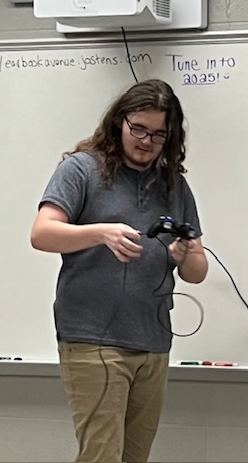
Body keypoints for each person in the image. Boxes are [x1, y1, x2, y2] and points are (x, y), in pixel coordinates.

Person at [30, 79, 208, 463]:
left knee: (134, 457)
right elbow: (42, 234)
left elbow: (197, 271)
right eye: (139, 129)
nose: (146, 141)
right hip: (94, 337)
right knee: (102, 456)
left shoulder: (173, 186)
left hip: (154, 339)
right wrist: (101, 233)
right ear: (119, 122)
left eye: (158, 135)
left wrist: (184, 254)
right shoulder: (82, 170)